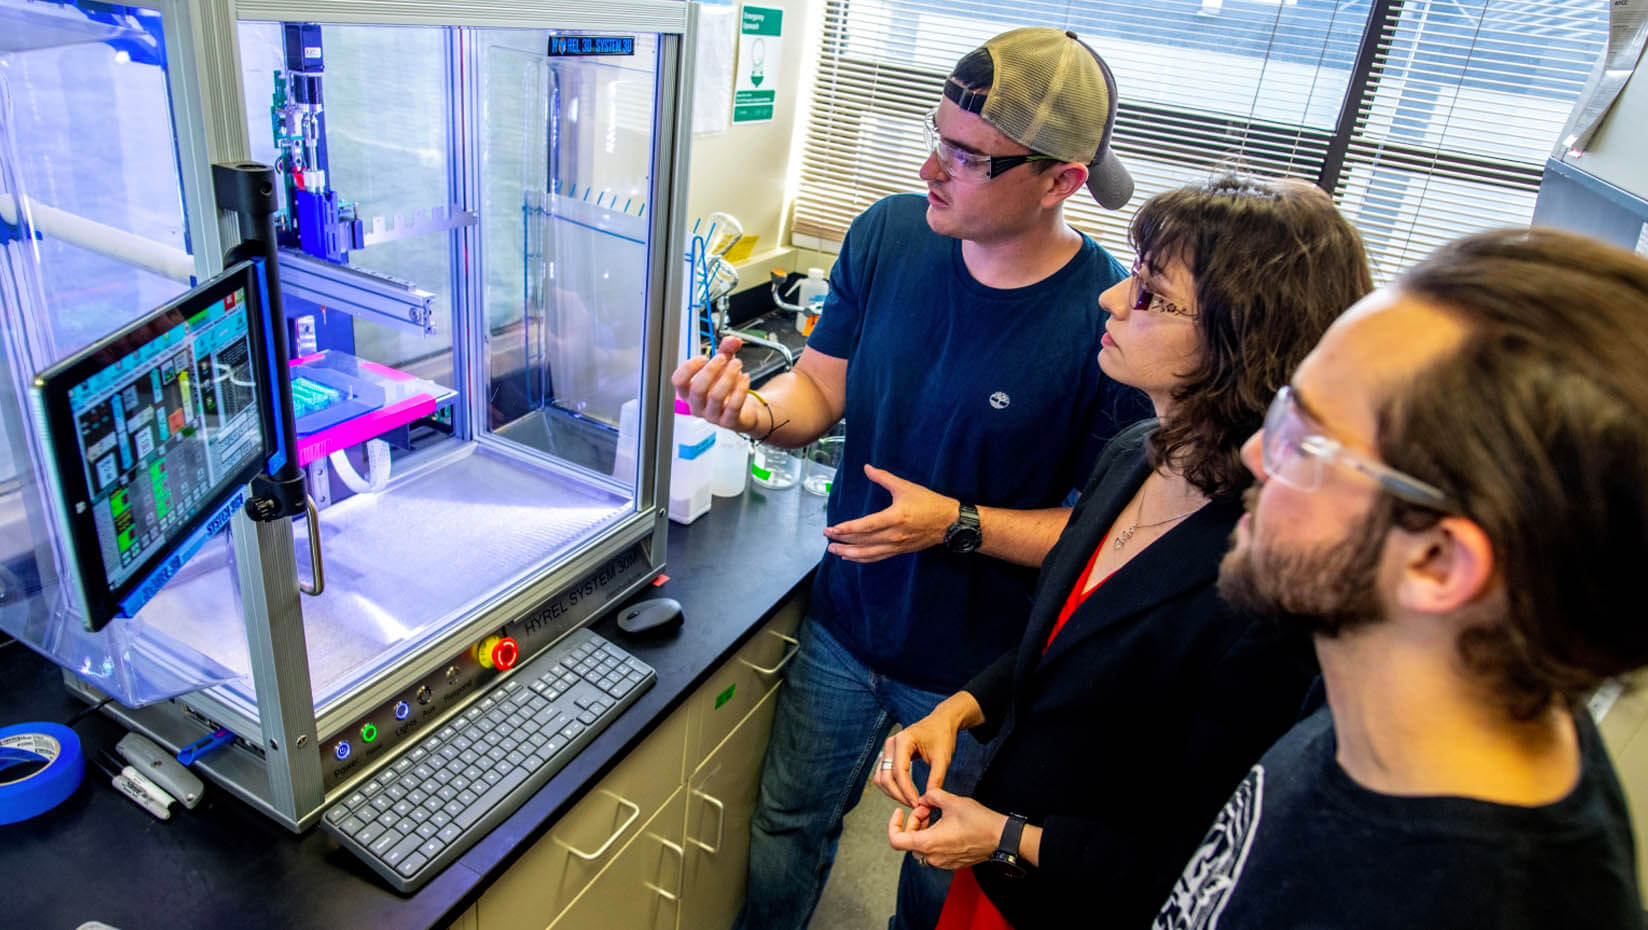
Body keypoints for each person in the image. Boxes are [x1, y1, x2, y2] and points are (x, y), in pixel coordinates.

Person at [673, 27, 1148, 930]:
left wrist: (955, 523)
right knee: (787, 828)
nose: (933, 168)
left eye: (967, 159)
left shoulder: (1106, 321)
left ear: (1062, 181)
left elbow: (1105, 534)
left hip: (972, 680)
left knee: (933, 888)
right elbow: (818, 389)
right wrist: (751, 411)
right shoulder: (888, 233)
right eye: (935, 138)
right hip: (844, 628)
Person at [873, 176, 1370, 929]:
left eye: (1150, 294)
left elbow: (1198, 850)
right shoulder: (1137, 451)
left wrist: (1009, 838)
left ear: (1242, 339)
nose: (1110, 300)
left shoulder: (1268, 576)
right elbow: (1065, 634)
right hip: (995, 843)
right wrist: (964, 705)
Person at [1153, 227, 1648, 928]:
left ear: (1438, 563)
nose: (1261, 452)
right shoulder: (1409, 684)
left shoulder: (1465, 900)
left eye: (1306, 438)